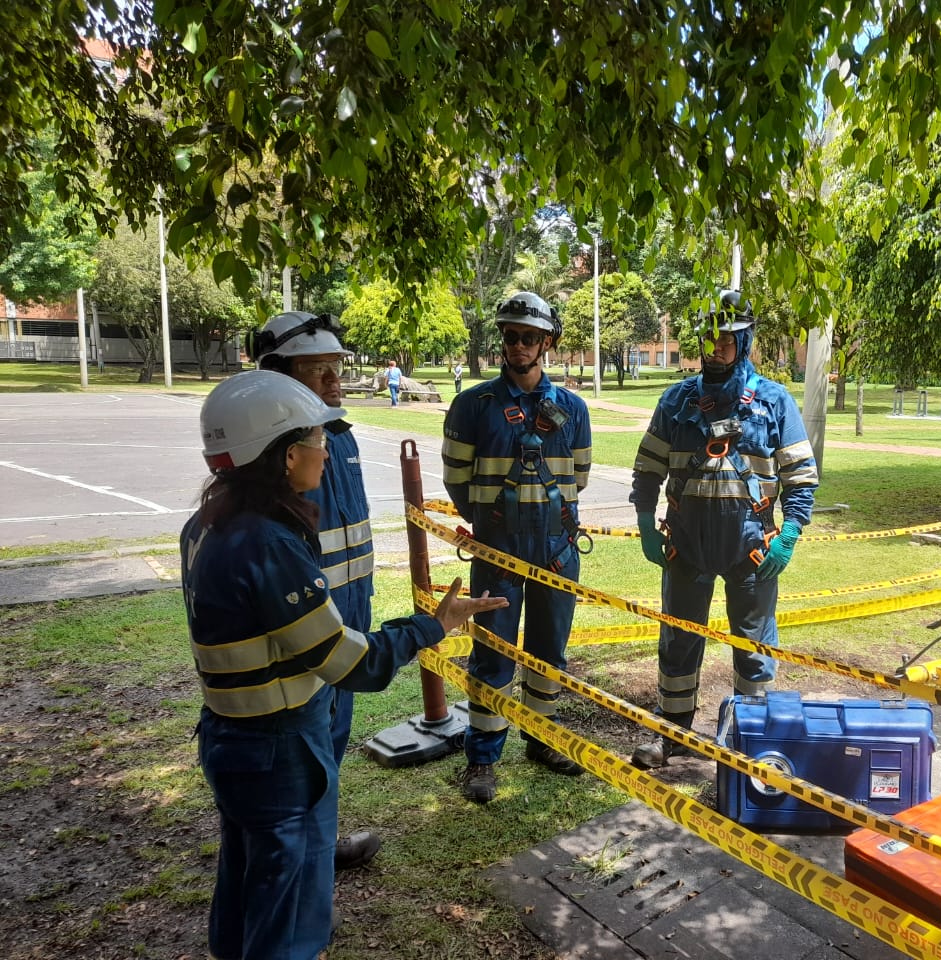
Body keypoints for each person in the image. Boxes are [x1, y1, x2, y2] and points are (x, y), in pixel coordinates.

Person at [182, 370, 506, 960]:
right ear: (282, 456)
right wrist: (434, 624)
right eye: (314, 437)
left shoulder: (208, 524)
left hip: (230, 738)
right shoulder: (269, 544)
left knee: (246, 888)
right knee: (290, 911)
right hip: (277, 751)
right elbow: (349, 663)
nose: (326, 448)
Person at [629, 290, 819, 769]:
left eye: (727, 339)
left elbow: (800, 476)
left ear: (745, 341)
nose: (716, 347)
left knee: (753, 646)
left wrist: (792, 530)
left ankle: (749, 737)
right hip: (686, 546)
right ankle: (672, 732)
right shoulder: (676, 401)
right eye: (710, 337)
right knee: (678, 639)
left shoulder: (774, 401)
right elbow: (648, 469)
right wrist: (645, 523)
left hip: (752, 548)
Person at [441, 292, 593, 803]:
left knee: (549, 653)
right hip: (498, 551)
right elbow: (456, 482)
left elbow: (582, 477)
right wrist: (489, 523)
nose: (519, 345)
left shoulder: (572, 409)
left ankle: (542, 741)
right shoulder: (474, 406)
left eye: (529, 337)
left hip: (556, 549)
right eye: (511, 336)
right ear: (502, 340)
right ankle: (482, 759)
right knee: (493, 653)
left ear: (547, 342)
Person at [249, 310, 383, 872]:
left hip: (349, 614)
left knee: (333, 737)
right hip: (304, 624)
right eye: (318, 370)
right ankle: (297, 856)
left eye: (335, 368)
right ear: (280, 378)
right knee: (301, 748)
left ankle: (319, 847)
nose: (334, 381)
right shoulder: (272, 456)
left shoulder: (339, 438)